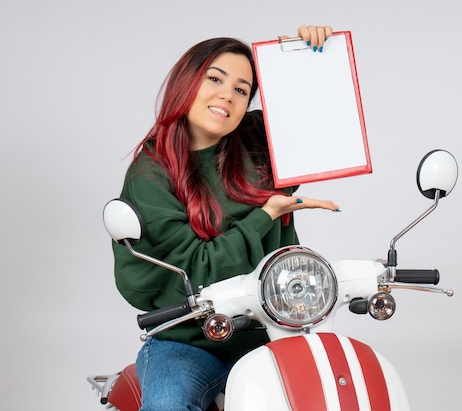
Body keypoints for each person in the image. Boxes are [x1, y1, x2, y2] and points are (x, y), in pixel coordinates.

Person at [112, 25, 338, 410]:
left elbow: (316, 123)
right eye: (215, 78)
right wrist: (266, 215)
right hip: (187, 341)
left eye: (241, 89)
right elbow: (197, 271)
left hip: (268, 333)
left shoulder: (256, 143)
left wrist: (304, 59)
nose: (226, 94)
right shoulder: (150, 175)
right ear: (187, 82)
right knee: (168, 405)